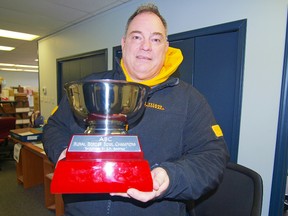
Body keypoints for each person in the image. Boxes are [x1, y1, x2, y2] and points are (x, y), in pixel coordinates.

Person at [43, 3, 229, 216]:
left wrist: (170, 177)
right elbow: (54, 126)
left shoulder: (190, 100)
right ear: (124, 43)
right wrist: (62, 154)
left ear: (165, 47)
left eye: (156, 39)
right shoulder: (89, 87)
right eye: (137, 37)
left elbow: (212, 156)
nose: (146, 46)